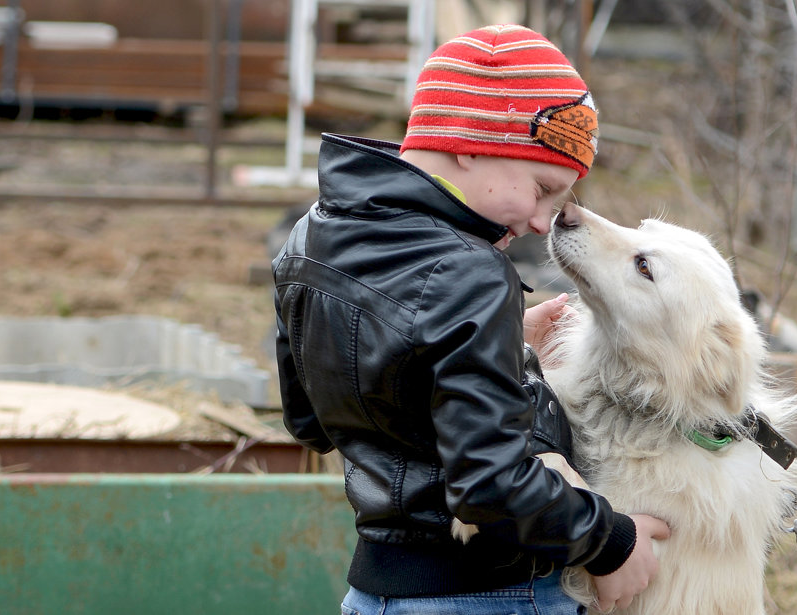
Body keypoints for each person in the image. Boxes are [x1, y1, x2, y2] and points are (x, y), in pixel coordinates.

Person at [272, 23, 669, 614]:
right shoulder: (470, 271)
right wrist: (611, 541)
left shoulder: (311, 236)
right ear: (470, 140)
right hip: (491, 593)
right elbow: (490, 485)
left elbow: (311, 420)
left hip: (374, 593)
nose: (541, 221)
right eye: (541, 188)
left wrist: (505, 352)